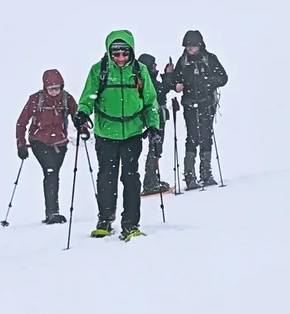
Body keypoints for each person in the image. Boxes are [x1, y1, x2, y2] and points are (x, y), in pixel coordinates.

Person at [74, 31, 161, 240]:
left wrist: (153, 126)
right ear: (109, 52)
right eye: (116, 54)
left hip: (132, 132)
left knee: (131, 179)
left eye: (124, 53)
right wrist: (82, 112)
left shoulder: (139, 71)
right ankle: (105, 219)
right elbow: (89, 96)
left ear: (131, 51)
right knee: (106, 177)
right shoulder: (99, 70)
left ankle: (130, 224)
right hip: (106, 133)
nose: (120, 58)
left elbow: (150, 102)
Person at [14, 70, 78, 224]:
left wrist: (82, 128)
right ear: (45, 88)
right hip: (39, 141)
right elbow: (21, 123)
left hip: (60, 144)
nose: (55, 92)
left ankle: (52, 211)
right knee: (50, 171)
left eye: (57, 88)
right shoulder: (36, 99)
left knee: (53, 173)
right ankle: (52, 212)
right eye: (51, 89)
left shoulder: (66, 99)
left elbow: (77, 116)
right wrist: (21, 144)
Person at [166, 30, 228, 188]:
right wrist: (174, 82)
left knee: (206, 135)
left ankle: (205, 173)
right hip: (189, 104)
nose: (190, 49)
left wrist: (208, 81)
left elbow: (223, 77)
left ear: (199, 45)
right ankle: (190, 176)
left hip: (206, 103)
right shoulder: (183, 61)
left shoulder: (209, 59)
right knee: (193, 136)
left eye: (192, 46)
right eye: (187, 46)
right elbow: (177, 80)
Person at [138, 51, 173, 195]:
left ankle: (152, 179)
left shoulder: (144, 79)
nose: (155, 67)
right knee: (156, 147)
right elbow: (160, 91)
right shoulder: (148, 81)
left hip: (154, 116)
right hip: (155, 117)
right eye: (153, 65)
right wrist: (168, 75)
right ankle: (150, 181)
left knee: (155, 147)